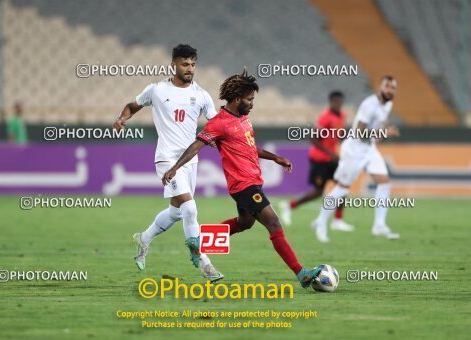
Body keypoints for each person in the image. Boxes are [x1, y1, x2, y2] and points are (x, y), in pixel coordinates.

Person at [162, 69, 322, 288]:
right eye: (249, 99)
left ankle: (199, 243)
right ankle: (301, 273)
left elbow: (250, 147)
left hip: (252, 181)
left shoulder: (244, 119)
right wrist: (175, 168)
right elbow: (196, 145)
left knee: (245, 223)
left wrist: (275, 158)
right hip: (243, 185)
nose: (252, 103)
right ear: (237, 99)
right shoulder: (219, 123)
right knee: (274, 223)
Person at [113, 44, 223, 282]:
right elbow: (133, 105)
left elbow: (216, 125)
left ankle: (144, 238)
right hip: (166, 158)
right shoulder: (157, 90)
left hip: (190, 161)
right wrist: (123, 117)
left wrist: (216, 138)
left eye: (193, 64)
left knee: (176, 212)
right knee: (190, 208)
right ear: (173, 65)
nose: (190, 69)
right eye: (185, 64)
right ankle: (203, 262)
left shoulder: (202, 95)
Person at [311, 76, 401, 242]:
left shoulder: (387, 104)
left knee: (384, 182)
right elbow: (359, 133)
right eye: (387, 87)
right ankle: (321, 222)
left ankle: (379, 225)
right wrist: (384, 133)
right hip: (354, 149)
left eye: (393, 88)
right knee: (342, 188)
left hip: (369, 149)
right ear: (380, 88)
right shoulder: (369, 105)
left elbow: (381, 122)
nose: (390, 90)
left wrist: (385, 129)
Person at [280, 91, 354, 234]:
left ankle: (338, 221)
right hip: (320, 159)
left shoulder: (342, 116)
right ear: (331, 101)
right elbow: (313, 139)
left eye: (340, 101)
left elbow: (338, 135)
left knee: (343, 186)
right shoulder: (325, 117)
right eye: (336, 101)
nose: (339, 104)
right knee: (318, 192)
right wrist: (330, 153)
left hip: (332, 159)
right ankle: (290, 206)